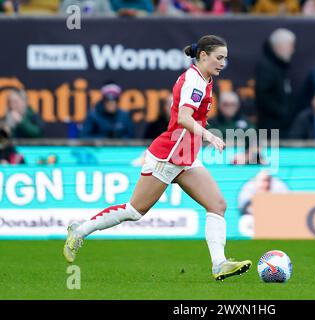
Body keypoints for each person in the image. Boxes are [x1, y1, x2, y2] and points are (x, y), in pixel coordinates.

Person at [64, 35, 252, 281]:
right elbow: (184, 118)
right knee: (134, 211)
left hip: (186, 154)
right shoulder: (194, 81)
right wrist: (210, 136)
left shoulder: (203, 78)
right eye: (219, 58)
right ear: (203, 56)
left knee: (217, 205)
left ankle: (219, 264)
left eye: (225, 59)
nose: (222, 63)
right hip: (170, 155)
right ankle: (80, 230)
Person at [255, 28, 296, 139]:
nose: (292, 50)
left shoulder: (280, 66)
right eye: (291, 45)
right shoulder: (267, 67)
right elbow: (263, 95)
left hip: (283, 126)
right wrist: (282, 112)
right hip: (270, 128)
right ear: (279, 46)